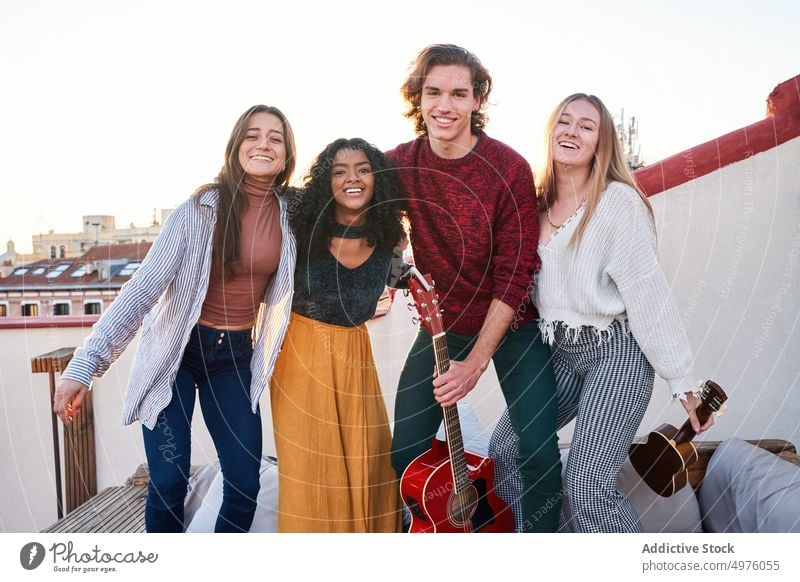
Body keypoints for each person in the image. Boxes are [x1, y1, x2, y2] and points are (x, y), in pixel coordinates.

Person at [52, 105, 297, 533]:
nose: (263, 144)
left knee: (243, 483)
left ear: (287, 153)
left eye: (275, 138)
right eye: (253, 135)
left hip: (236, 359)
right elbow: (142, 290)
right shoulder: (199, 211)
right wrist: (83, 368)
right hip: (176, 356)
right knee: (167, 481)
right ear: (236, 146)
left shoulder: (291, 217)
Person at [489, 93, 715, 533]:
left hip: (618, 353)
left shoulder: (617, 205)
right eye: (564, 122)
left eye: (586, 126)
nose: (572, 131)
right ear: (550, 132)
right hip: (561, 352)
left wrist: (683, 383)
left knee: (587, 484)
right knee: (507, 449)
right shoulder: (530, 205)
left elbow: (649, 297)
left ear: (601, 143)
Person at [386, 44, 562, 532]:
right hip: (443, 327)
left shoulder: (507, 168)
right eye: (434, 92)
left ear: (477, 100)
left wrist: (476, 363)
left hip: (513, 329)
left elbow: (516, 269)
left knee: (537, 448)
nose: (445, 105)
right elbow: (346, 190)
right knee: (404, 448)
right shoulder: (399, 164)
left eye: (458, 94)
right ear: (417, 99)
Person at [270, 137, 405, 532]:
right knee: (311, 470)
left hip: (356, 356)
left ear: (377, 178)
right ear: (324, 182)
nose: (353, 179)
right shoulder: (299, 226)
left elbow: (396, 289)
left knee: (371, 462)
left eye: (363, 169)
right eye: (339, 171)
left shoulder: (393, 239)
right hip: (299, 356)